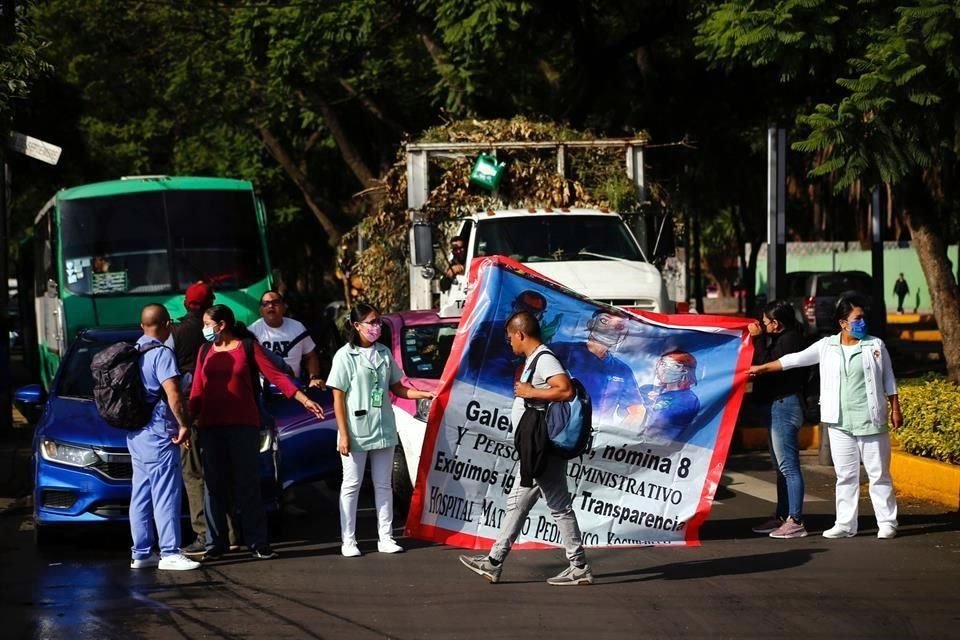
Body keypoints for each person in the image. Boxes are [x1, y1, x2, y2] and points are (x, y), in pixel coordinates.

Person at [750, 296, 901, 539]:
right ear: (843, 322)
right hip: (840, 422)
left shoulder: (875, 345)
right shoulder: (827, 346)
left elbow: (889, 378)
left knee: (878, 474)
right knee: (845, 475)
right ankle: (845, 523)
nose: (862, 322)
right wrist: (762, 368)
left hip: (870, 420)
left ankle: (887, 523)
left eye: (863, 318)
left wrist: (895, 407)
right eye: (857, 318)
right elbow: (794, 360)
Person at [460, 311, 593, 586]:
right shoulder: (536, 359)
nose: (509, 343)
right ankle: (494, 562)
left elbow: (565, 390)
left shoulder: (545, 359)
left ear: (521, 334)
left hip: (544, 447)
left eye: (510, 337)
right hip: (535, 446)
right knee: (517, 503)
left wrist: (530, 392)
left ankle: (578, 565)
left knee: (558, 504)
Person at [189, 304, 324, 560]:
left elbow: (277, 376)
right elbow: (197, 389)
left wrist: (304, 400)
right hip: (210, 427)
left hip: (243, 426)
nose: (205, 329)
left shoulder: (247, 347)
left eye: (208, 324)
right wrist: (186, 424)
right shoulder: (205, 350)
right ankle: (214, 544)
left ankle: (257, 542)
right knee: (213, 487)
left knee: (248, 485)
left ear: (222, 325)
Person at [326, 303, 434, 557]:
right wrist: (342, 433)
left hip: (384, 428)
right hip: (355, 431)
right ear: (356, 325)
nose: (376, 327)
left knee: (383, 485)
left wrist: (424, 393)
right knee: (351, 485)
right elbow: (338, 398)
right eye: (371, 322)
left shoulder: (384, 353)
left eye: (378, 323)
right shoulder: (345, 356)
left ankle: (385, 537)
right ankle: (349, 540)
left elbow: (398, 388)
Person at [128, 304, 200, 571]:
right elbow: (173, 394)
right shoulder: (161, 353)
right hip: (159, 433)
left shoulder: (133, 352)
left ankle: (142, 552)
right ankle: (169, 552)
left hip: (136, 433)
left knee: (141, 494)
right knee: (166, 494)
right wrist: (184, 424)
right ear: (168, 324)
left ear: (142, 326)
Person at [747, 300, 810, 539]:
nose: (762, 325)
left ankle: (796, 519)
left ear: (776, 323)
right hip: (776, 405)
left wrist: (758, 339)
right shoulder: (782, 338)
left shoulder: (791, 340)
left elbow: (766, 363)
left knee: (788, 466)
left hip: (785, 406)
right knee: (779, 466)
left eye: (765, 322)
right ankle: (782, 516)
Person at [169, 281, 221, 557]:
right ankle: (229, 533)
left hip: (191, 412)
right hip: (221, 409)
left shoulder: (176, 334)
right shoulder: (219, 330)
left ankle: (204, 534)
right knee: (223, 472)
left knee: (193, 474)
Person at [551, 310, 643, 423]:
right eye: (604, 321)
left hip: (598, 436)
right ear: (591, 323)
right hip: (560, 433)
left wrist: (614, 438)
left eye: (619, 325)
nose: (611, 328)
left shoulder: (622, 370)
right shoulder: (562, 351)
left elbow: (637, 411)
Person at [249, 290, 325, 386]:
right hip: (265, 391)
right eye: (265, 303)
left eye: (275, 302)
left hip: (295, 387)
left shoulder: (298, 327)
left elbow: (310, 356)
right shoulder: (251, 332)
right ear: (260, 310)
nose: (270, 306)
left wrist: (314, 378)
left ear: (284, 308)